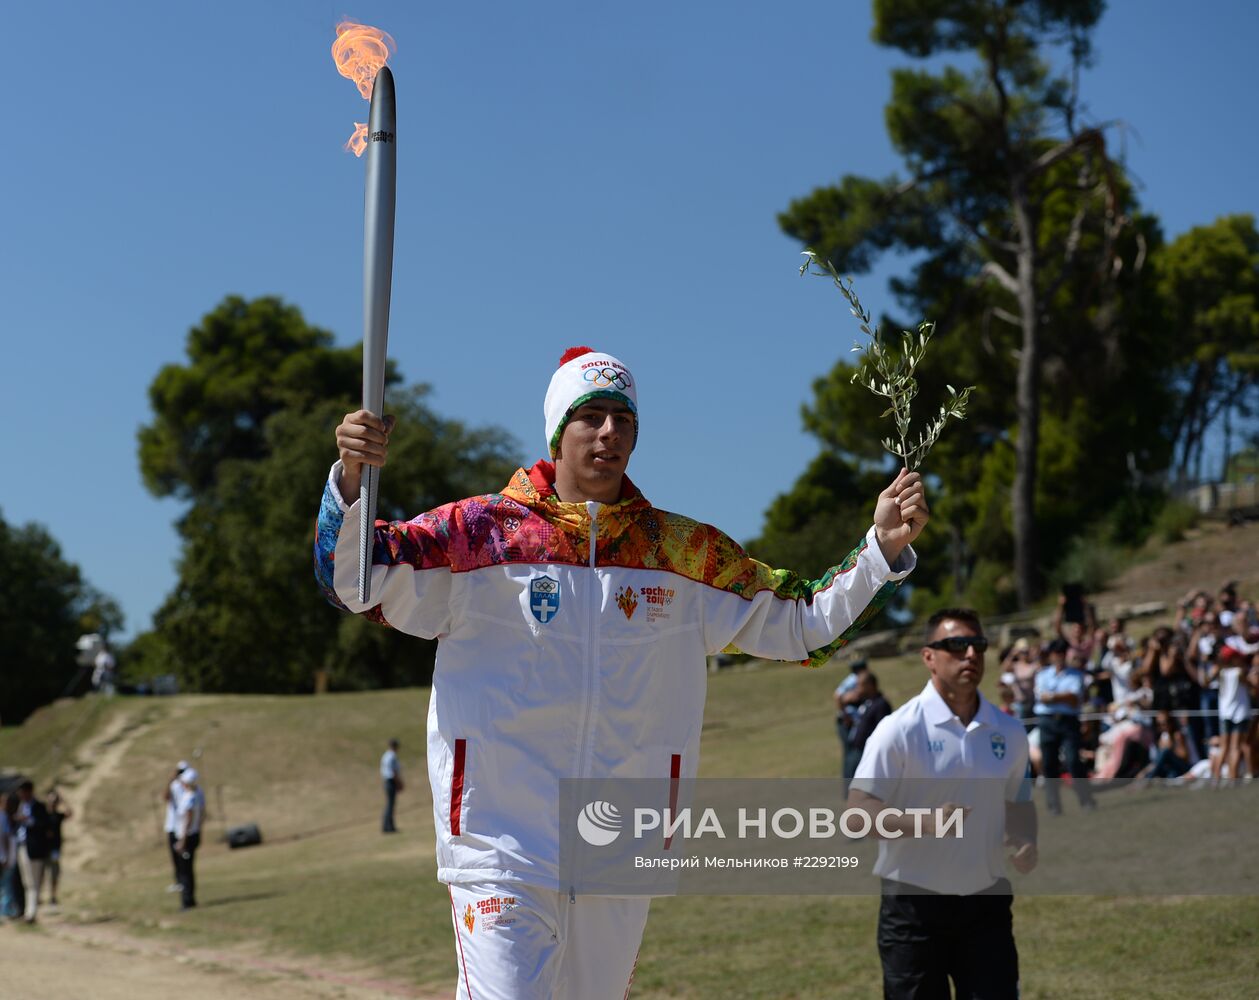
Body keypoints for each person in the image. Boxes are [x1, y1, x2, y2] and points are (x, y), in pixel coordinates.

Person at [316, 347, 928, 999]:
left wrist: (879, 550)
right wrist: (351, 481)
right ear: (558, 431)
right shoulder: (477, 536)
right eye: (590, 415)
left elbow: (803, 624)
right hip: (501, 843)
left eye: (622, 419)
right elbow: (354, 581)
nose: (608, 431)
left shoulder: (680, 554)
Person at [849, 608, 1036, 1000]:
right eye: (956, 645)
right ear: (928, 656)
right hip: (914, 909)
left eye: (978, 645)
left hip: (986, 905)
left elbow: (1018, 799)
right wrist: (925, 823)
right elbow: (858, 813)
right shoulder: (899, 729)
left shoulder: (1010, 732)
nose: (970, 654)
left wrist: (1023, 838)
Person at [1033, 639, 1097, 814]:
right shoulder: (1042, 674)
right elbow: (1041, 697)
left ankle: (1086, 799)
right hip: (1047, 721)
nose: (1059, 656)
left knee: (1073, 760)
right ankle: (1054, 805)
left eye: (1062, 653)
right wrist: (1062, 696)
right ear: (1052, 655)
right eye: (1056, 653)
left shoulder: (1075, 675)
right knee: (1049, 764)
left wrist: (1053, 697)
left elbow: (1074, 698)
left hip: (1068, 721)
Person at [14, 780, 52, 924]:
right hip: (21, 846)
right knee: (26, 882)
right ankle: (27, 911)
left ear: (29, 791)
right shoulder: (21, 806)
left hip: (34, 849)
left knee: (34, 882)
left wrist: (29, 820)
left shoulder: (39, 807)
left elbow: (45, 825)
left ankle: (31, 913)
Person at [845, 670, 892, 779]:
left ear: (870, 685)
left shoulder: (881, 705)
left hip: (867, 754)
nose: (857, 689)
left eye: (860, 685)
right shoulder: (866, 702)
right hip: (856, 751)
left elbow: (883, 732)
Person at [834, 659, 870, 786]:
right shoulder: (854, 679)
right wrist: (846, 716)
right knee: (851, 754)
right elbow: (838, 696)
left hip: (852, 720)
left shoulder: (854, 679)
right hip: (847, 721)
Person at [173, 768, 205, 911]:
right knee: (189, 870)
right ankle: (190, 898)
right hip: (194, 834)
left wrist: (182, 841)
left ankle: (187, 901)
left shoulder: (190, 797)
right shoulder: (198, 794)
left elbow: (188, 819)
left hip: (187, 837)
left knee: (185, 871)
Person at [163, 760, 189, 893]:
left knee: (183, 857)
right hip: (172, 825)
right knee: (174, 857)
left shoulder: (188, 786)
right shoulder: (173, 785)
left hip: (182, 827)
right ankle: (179, 882)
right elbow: (165, 797)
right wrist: (170, 780)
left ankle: (185, 883)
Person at [44, 789, 72, 909]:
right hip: (43, 849)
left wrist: (63, 801)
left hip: (55, 850)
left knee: (54, 873)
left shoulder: (58, 815)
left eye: (55, 801)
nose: (53, 803)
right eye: (52, 800)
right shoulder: (43, 815)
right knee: (41, 874)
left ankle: (53, 897)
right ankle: (39, 897)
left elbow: (69, 813)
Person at [380, 738, 403, 833]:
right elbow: (394, 772)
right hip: (391, 781)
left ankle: (387, 825)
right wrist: (399, 783)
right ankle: (389, 827)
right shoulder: (392, 756)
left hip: (386, 781)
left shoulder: (385, 755)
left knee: (389, 804)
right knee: (390, 804)